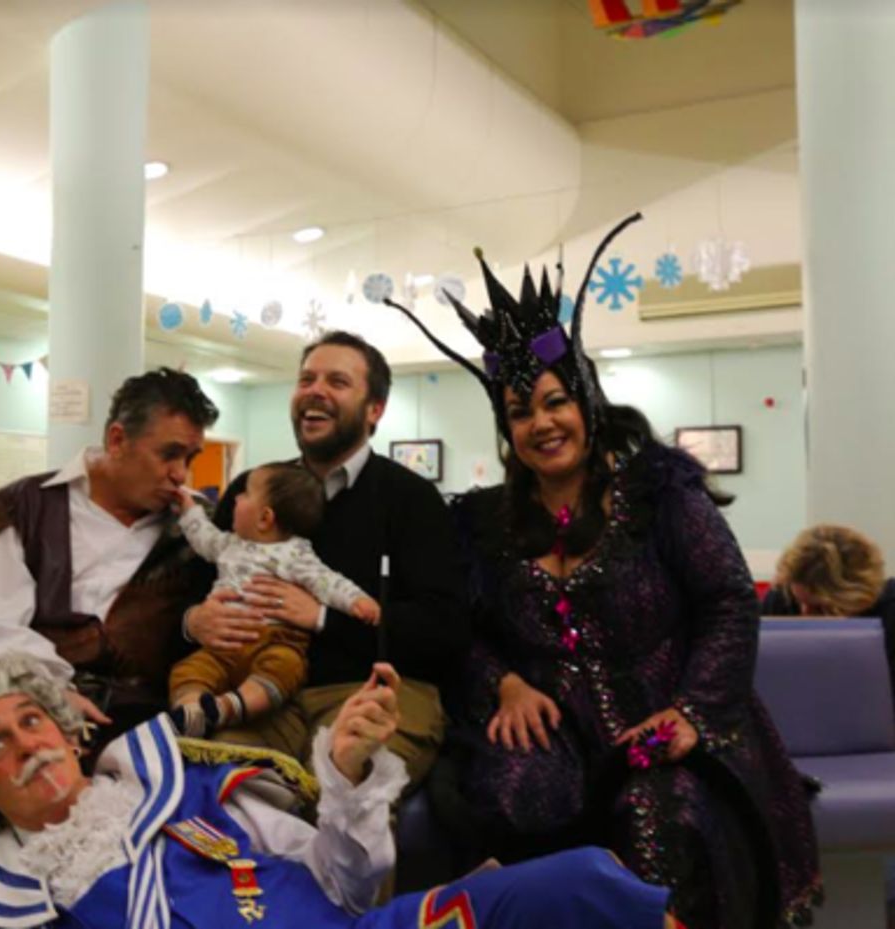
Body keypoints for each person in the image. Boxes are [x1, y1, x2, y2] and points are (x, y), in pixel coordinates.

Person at [381, 215, 820, 929]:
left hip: (666, 718)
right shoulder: (482, 523)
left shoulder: (661, 493)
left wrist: (694, 712)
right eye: (520, 411)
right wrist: (505, 683)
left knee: (661, 813)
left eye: (555, 401)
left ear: (585, 400)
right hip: (551, 730)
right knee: (517, 794)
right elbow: (467, 630)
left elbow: (730, 601)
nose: (541, 423)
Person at [0, 651, 681, 929]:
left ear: (69, 733)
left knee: (585, 880)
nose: (28, 746)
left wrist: (344, 769)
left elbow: (349, 886)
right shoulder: (0, 902)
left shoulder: (187, 783)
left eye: (33, 720)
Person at [184, 330, 468, 791]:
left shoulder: (412, 500)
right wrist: (195, 622)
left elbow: (444, 630)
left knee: (344, 791)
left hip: (374, 691)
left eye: (337, 381)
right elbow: (196, 585)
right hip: (260, 696)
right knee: (220, 789)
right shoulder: (250, 491)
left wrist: (322, 618)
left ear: (375, 410)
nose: (315, 391)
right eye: (306, 379)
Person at [0, 366, 219, 742]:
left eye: (190, 458)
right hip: (35, 724)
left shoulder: (201, 527)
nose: (180, 474)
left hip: (161, 729)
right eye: (169, 454)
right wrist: (51, 694)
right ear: (117, 440)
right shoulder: (18, 508)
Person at [168, 462, 380, 738]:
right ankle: (191, 711)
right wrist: (188, 509)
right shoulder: (228, 544)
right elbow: (203, 537)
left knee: (285, 669)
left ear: (265, 518)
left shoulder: (295, 554)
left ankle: (228, 707)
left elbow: (326, 581)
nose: (236, 497)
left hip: (277, 639)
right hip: (225, 641)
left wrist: (356, 600)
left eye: (245, 493)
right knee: (189, 669)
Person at [763, 524, 895, 698]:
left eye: (821, 609)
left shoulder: (890, 613)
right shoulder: (781, 599)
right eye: (799, 601)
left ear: (860, 598)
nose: (805, 615)